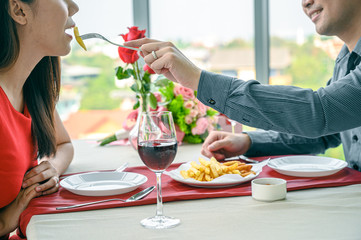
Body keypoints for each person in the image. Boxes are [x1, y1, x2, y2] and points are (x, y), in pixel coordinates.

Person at [125, 0, 361, 171]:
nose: (305, 2)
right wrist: (248, 141)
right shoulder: (345, 59)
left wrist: (199, 80)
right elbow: (328, 132)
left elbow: (321, 113)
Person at [0, 0, 78, 238]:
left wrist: (50, 170)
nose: (74, 6)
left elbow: (63, 145)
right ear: (19, 10)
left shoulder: (32, 88)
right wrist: (6, 220)